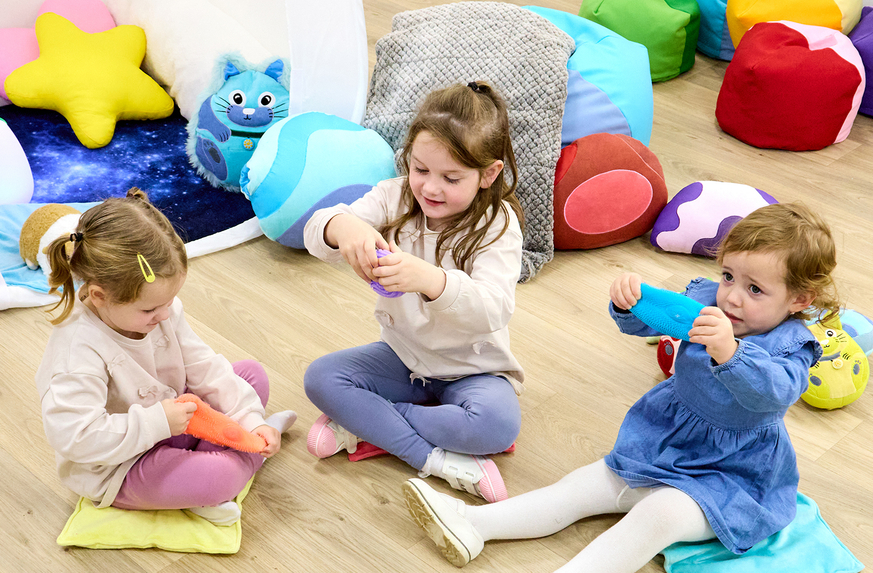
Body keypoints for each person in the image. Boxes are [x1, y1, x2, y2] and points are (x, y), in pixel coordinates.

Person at [404, 201, 837, 573]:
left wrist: (731, 351)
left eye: (755, 289)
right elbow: (650, 323)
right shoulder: (707, 302)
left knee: (659, 516)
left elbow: (774, 391)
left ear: (799, 299)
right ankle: (475, 524)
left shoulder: (792, 345)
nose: (733, 297)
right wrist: (628, 303)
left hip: (730, 473)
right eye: (728, 276)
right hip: (664, 441)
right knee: (581, 487)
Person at [302, 81, 525, 502]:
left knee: (497, 426)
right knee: (321, 378)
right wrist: (341, 227)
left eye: (451, 177)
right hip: (404, 358)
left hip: (473, 368)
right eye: (420, 169)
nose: (430, 188)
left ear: (488, 174)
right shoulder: (395, 196)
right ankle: (432, 457)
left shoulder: (497, 225)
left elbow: (493, 310)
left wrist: (431, 281)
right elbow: (315, 232)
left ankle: (370, 424)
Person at [36, 188, 296, 526]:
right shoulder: (76, 351)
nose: (163, 315)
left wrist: (250, 419)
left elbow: (203, 365)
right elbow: (77, 438)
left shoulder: (160, 309)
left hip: (172, 418)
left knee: (250, 375)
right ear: (99, 296)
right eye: (149, 310)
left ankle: (231, 453)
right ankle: (235, 462)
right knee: (221, 477)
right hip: (121, 465)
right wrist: (156, 422)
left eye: (169, 301)